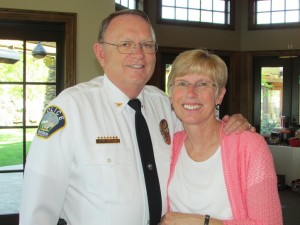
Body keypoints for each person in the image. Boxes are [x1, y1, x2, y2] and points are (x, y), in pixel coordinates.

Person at [19, 10, 253, 225]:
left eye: (146, 44)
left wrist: (232, 126)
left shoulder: (165, 104)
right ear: (101, 54)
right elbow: (38, 208)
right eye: (125, 44)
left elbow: (203, 134)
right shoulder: (71, 110)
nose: (138, 54)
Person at [159, 49, 282, 225]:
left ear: (220, 95)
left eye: (203, 84)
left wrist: (201, 222)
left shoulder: (249, 146)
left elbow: (270, 223)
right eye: (182, 83)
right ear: (171, 94)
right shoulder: (171, 144)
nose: (191, 93)